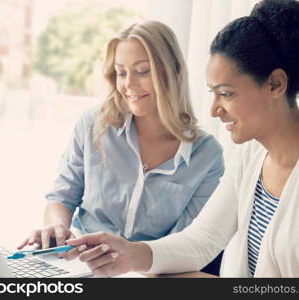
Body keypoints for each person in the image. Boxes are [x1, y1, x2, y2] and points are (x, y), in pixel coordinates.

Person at [63, 0, 299, 277]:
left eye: (226, 94)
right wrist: (129, 255)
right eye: (213, 94)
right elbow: (203, 241)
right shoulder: (252, 156)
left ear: (275, 84)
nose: (214, 110)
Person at [18, 20, 225, 274]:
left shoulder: (207, 155)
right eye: (121, 72)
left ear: (172, 72)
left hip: (149, 274)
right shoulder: (94, 124)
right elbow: (61, 197)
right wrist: (57, 228)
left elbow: (186, 244)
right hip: (82, 266)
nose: (129, 85)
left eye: (142, 71)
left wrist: (131, 261)